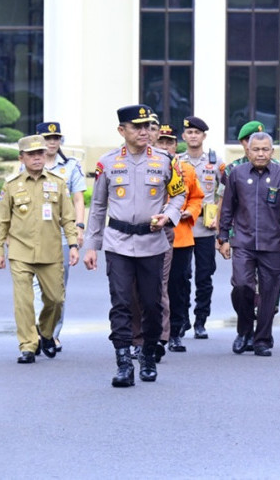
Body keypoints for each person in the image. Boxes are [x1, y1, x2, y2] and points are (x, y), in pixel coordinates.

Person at [84, 104, 185, 387]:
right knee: (121, 303)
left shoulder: (166, 161)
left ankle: (149, 356)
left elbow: (179, 195)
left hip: (153, 243)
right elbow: (99, 205)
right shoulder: (108, 162)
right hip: (118, 244)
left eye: (147, 126)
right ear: (122, 130)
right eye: (136, 127)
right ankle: (124, 363)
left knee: (152, 305)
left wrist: (169, 216)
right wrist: (92, 245)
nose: (144, 132)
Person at [0, 135, 79, 364]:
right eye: (31, 154)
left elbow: (68, 218)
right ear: (22, 158)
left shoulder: (58, 183)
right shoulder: (11, 185)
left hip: (51, 252)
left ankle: (46, 333)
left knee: (56, 299)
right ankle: (28, 346)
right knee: (23, 302)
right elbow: (1, 220)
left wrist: (73, 244)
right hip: (20, 252)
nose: (37, 158)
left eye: (40, 153)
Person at [219, 132, 280, 356]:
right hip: (243, 242)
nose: (261, 154)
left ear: (272, 152)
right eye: (256, 149)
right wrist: (223, 237)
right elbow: (227, 208)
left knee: (269, 292)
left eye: (265, 149)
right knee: (242, 286)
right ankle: (244, 331)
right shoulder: (236, 174)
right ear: (248, 150)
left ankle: (262, 339)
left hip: (272, 244)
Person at [30, 121, 86, 353]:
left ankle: (52, 332)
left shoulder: (71, 166)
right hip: (33, 233)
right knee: (33, 285)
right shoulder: (29, 164)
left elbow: (78, 199)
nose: (52, 142)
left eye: (56, 138)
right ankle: (35, 333)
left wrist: (79, 227)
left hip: (62, 233)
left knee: (57, 287)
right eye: (48, 137)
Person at [178, 116, 225, 339]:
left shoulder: (215, 162)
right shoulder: (178, 161)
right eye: (190, 132)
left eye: (198, 132)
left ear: (204, 136)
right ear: (184, 136)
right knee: (182, 275)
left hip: (206, 227)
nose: (193, 136)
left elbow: (226, 191)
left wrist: (219, 217)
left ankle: (201, 320)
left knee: (204, 277)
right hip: (184, 226)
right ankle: (183, 318)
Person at [160, 125, 204, 353]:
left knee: (179, 285)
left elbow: (197, 197)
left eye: (170, 142)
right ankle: (157, 331)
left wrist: (191, 211)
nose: (165, 146)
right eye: (161, 142)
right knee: (155, 287)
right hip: (154, 236)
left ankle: (176, 331)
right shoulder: (150, 167)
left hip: (181, 237)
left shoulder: (186, 169)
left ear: (176, 145)